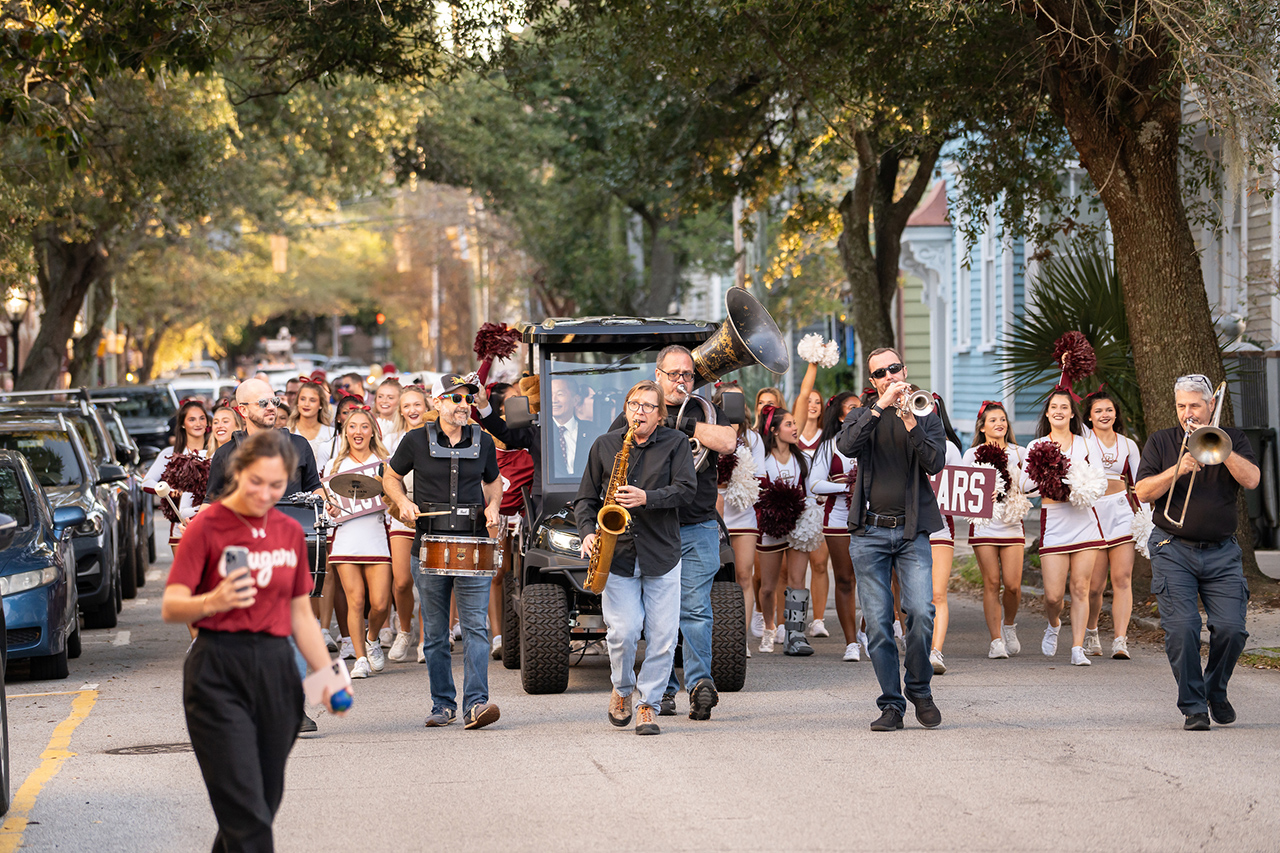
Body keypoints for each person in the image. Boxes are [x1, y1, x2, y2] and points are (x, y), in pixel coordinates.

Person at [161, 430, 346, 852]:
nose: (266, 493)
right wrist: (213, 600)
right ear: (238, 473)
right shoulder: (206, 527)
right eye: (256, 482)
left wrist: (329, 681)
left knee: (261, 803)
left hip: (277, 669)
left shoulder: (286, 530)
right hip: (218, 669)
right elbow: (172, 606)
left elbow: (301, 614)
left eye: (277, 484)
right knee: (248, 817)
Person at [607, 346, 735, 719]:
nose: (681, 381)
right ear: (658, 374)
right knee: (653, 616)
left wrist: (685, 427)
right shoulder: (638, 412)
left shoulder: (702, 410)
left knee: (694, 609)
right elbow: (614, 453)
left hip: (696, 524)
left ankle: (700, 685)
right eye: (674, 374)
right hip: (653, 529)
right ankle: (662, 689)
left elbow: (728, 443)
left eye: (688, 375)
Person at [1133, 374, 1258, 731]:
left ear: (1210, 406)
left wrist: (1221, 448)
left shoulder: (1231, 438)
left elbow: (1251, 480)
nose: (1188, 414)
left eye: (1195, 406)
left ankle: (1215, 691)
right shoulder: (1161, 441)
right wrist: (1179, 467)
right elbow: (1142, 491)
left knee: (1233, 629)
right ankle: (1193, 706)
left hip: (1221, 552)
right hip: (1173, 548)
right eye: (1181, 406)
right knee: (1183, 628)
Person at [576, 380, 697, 736]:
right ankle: (622, 687)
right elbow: (585, 499)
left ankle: (648, 704)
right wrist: (587, 531)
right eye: (634, 405)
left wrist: (648, 497)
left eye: (648, 407)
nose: (639, 412)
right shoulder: (605, 445)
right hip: (619, 553)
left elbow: (687, 490)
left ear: (660, 415)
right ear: (625, 408)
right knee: (623, 632)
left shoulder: (676, 443)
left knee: (662, 637)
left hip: (662, 551)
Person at [384, 374, 504, 730]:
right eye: (454, 399)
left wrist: (493, 504)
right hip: (429, 545)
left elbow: (493, 481)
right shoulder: (414, 440)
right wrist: (403, 501)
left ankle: (476, 704)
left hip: (473, 544)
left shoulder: (482, 441)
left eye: (467, 399)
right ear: (437, 403)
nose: (462, 405)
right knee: (436, 633)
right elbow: (390, 477)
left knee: (475, 630)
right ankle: (442, 704)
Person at [836, 348, 945, 731]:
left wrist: (911, 421)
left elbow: (936, 463)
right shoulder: (863, 414)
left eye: (893, 369)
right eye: (880, 373)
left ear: (905, 369)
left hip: (911, 530)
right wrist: (880, 407)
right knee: (879, 623)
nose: (888, 376)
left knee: (920, 612)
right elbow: (846, 446)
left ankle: (919, 688)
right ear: (873, 381)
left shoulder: (926, 409)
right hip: (869, 532)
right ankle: (891, 705)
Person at [1022, 389, 1106, 667]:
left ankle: (1077, 647)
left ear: (1072, 413)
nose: (1059, 410)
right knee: (1053, 596)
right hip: (1055, 521)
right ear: (1047, 413)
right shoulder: (1036, 446)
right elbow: (1024, 486)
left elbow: (1100, 481)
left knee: (1080, 588)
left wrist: (1080, 488)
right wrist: (1049, 479)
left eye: (1064, 407)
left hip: (1084, 522)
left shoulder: (1086, 444)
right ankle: (1054, 623)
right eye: (1054, 407)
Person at [324, 409, 393, 679]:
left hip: (376, 537)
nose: (358, 432)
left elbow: (393, 502)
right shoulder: (334, 465)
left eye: (364, 427)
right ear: (345, 432)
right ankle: (360, 658)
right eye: (353, 427)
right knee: (356, 601)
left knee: (380, 604)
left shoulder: (384, 463)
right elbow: (329, 504)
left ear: (372, 431)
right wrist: (330, 511)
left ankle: (372, 637)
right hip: (347, 539)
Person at [962, 401, 1028, 659]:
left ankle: (1009, 626)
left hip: (1012, 523)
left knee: (1012, 585)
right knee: (991, 582)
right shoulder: (972, 454)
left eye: (1002, 419)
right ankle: (996, 640)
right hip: (985, 524)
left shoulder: (1020, 453)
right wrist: (979, 493)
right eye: (993, 420)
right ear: (982, 426)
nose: (999, 423)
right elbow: (964, 491)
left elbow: (1029, 487)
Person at [1081, 389, 1144, 659]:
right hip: (1092, 513)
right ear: (1089, 417)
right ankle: (1092, 632)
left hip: (1120, 511)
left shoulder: (1128, 444)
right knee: (1094, 586)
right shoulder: (1082, 440)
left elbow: (1141, 484)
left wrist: (1146, 518)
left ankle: (1120, 640)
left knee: (1122, 579)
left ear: (1116, 414)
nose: (1104, 415)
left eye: (1108, 410)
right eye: (1098, 411)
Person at [755, 404, 817, 656]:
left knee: (797, 581)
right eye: (789, 424)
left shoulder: (803, 459)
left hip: (798, 526)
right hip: (771, 525)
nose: (795, 428)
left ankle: (795, 635)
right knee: (768, 586)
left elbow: (810, 492)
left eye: (795, 423)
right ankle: (770, 628)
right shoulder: (762, 458)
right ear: (774, 429)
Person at [806, 392, 864, 661]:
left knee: (877, 581)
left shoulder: (874, 440)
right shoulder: (829, 445)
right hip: (838, 520)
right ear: (841, 416)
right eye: (852, 407)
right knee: (845, 580)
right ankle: (851, 642)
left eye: (861, 407)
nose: (858, 410)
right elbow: (814, 484)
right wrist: (847, 487)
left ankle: (866, 631)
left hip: (873, 519)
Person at [480, 382, 534, 661]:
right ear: (501, 408)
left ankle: (523, 631)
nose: (521, 402)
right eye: (514, 399)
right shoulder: (488, 441)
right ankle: (498, 636)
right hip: (497, 514)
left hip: (524, 515)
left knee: (520, 573)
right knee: (497, 573)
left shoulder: (530, 439)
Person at [204, 378, 321, 503]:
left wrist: (329, 502)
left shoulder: (300, 444)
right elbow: (211, 502)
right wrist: (196, 522)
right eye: (263, 403)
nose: (271, 407)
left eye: (274, 401)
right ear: (244, 410)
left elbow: (314, 487)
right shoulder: (225, 453)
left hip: (295, 521)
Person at [715, 383, 763, 660]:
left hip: (743, 512)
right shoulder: (708, 432)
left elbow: (760, 475)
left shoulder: (753, 439)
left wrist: (739, 480)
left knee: (744, 576)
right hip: (713, 510)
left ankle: (738, 640)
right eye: (726, 400)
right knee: (715, 576)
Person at [385, 384, 432, 662]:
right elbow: (388, 480)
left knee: (430, 582)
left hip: (432, 515)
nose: (413, 410)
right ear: (400, 411)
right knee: (402, 581)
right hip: (402, 515)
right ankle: (405, 631)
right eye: (407, 406)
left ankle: (427, 640)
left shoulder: (436, 436)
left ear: (426, 408)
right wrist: (401, 503)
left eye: (418, 405)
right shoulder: (392, 440)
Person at [925, 394, 965, 675]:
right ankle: (917, 647)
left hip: (940, 527)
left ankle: (935, 651)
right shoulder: (901, 440)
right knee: (915, 599)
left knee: (938, 593)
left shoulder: (949, 448)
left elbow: (960, 489)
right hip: (906, 528)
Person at [143, 399, 211, 553]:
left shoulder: (217, 452)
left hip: (212, 524)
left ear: (207, 422)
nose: (198, 423)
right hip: (181, 526)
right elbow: (147, 482)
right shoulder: (170, 454)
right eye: (192, 419)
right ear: (182, 424)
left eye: (202, 418)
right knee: (185, 576)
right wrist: (169, 490)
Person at [287, 377, 335, 476]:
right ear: (297, 402)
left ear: (321, 404)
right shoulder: (286, 432)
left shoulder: (332, 433)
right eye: (303, 399)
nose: (306, 404)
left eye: (312, 400)